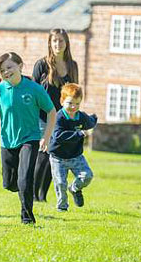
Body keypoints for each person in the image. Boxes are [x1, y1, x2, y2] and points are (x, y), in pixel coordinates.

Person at [0, 52, 56, 224]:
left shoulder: (34, 89)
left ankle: (27, 217)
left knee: (25, 178)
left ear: (20, 66)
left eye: (9, 67)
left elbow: (52, 112)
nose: (6, 72)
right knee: (9, 184)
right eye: (2, 70)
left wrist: (46, 136)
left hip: (29, 139)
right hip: (7, 141)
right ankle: (21, 187)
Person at [32, 28, 79, 202]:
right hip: (42, 118)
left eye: (61, 40)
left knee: (56, 159)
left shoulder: (72, 66)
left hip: (62, 121)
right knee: (43, 156)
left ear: (66, 43)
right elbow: (32, 92)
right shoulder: (41, 65)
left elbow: (74, 94)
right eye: (54, 41)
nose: (58, 44)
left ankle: (42, 196)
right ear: (50, 44)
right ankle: (34, 195)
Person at [49, 83, 96, 211]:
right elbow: (58, 136)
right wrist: (79, 133)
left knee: (87, 176)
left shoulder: (81, 116)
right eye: (70, 103)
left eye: (77, 104)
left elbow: (91, 121)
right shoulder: (58, 117)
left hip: (76, 156)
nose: (73, 107)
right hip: (58, 157)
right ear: (62, 101)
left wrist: (94, 121)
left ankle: (75, 189)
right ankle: (62, 207)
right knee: (60, 183)